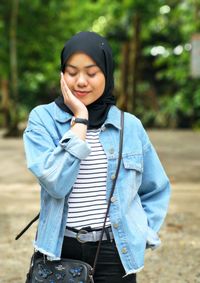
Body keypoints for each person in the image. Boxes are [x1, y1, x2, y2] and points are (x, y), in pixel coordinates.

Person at [23, 31, 171, 283]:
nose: (81, 81)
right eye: (72, 72)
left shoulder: (130, 126)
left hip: (114, 253)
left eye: (91, 73)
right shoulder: (43, 120)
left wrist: (141, 232)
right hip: (59, 251)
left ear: (107, 73)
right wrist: (80, 121)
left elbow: (156, 188)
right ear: (62, 74)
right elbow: (56, 183)